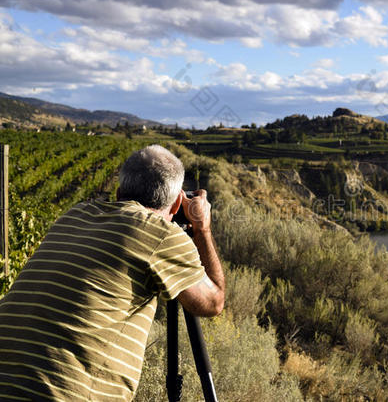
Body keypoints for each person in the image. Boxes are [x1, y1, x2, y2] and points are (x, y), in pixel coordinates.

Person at [0, 145, 225, 401]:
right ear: (176, 205)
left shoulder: (74, 215)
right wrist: (202, 228)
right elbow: (214, 302)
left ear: (119, 193)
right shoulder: (160, 235)